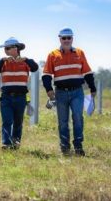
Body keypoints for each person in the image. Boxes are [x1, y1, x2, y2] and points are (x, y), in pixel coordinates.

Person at [42, 28, 96, 156]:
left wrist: (93, 88)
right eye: (64, 38)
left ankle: (78, 146)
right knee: (63, 121)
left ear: (72, 38)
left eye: (69, 38)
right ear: (59, 38)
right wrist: (49, 90)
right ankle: (65, 147)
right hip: (60, 93)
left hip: (77, 92)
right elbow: (46, 75)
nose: (66, 40)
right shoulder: (52, 55)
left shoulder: (79, 53)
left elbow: (87, 73)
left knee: (78, 118)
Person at [0, 37, 38, 150]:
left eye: (7, 48)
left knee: (18, 122)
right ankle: (6, 143)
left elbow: (35, 67)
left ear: (15, 48)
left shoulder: (25, 62)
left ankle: (16, 142)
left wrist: (26, 59)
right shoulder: (3, 63)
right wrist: (2, 60)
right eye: (5, 48)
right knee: (7, 121)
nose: (5, 50)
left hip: (20, 98)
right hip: (6, 98)